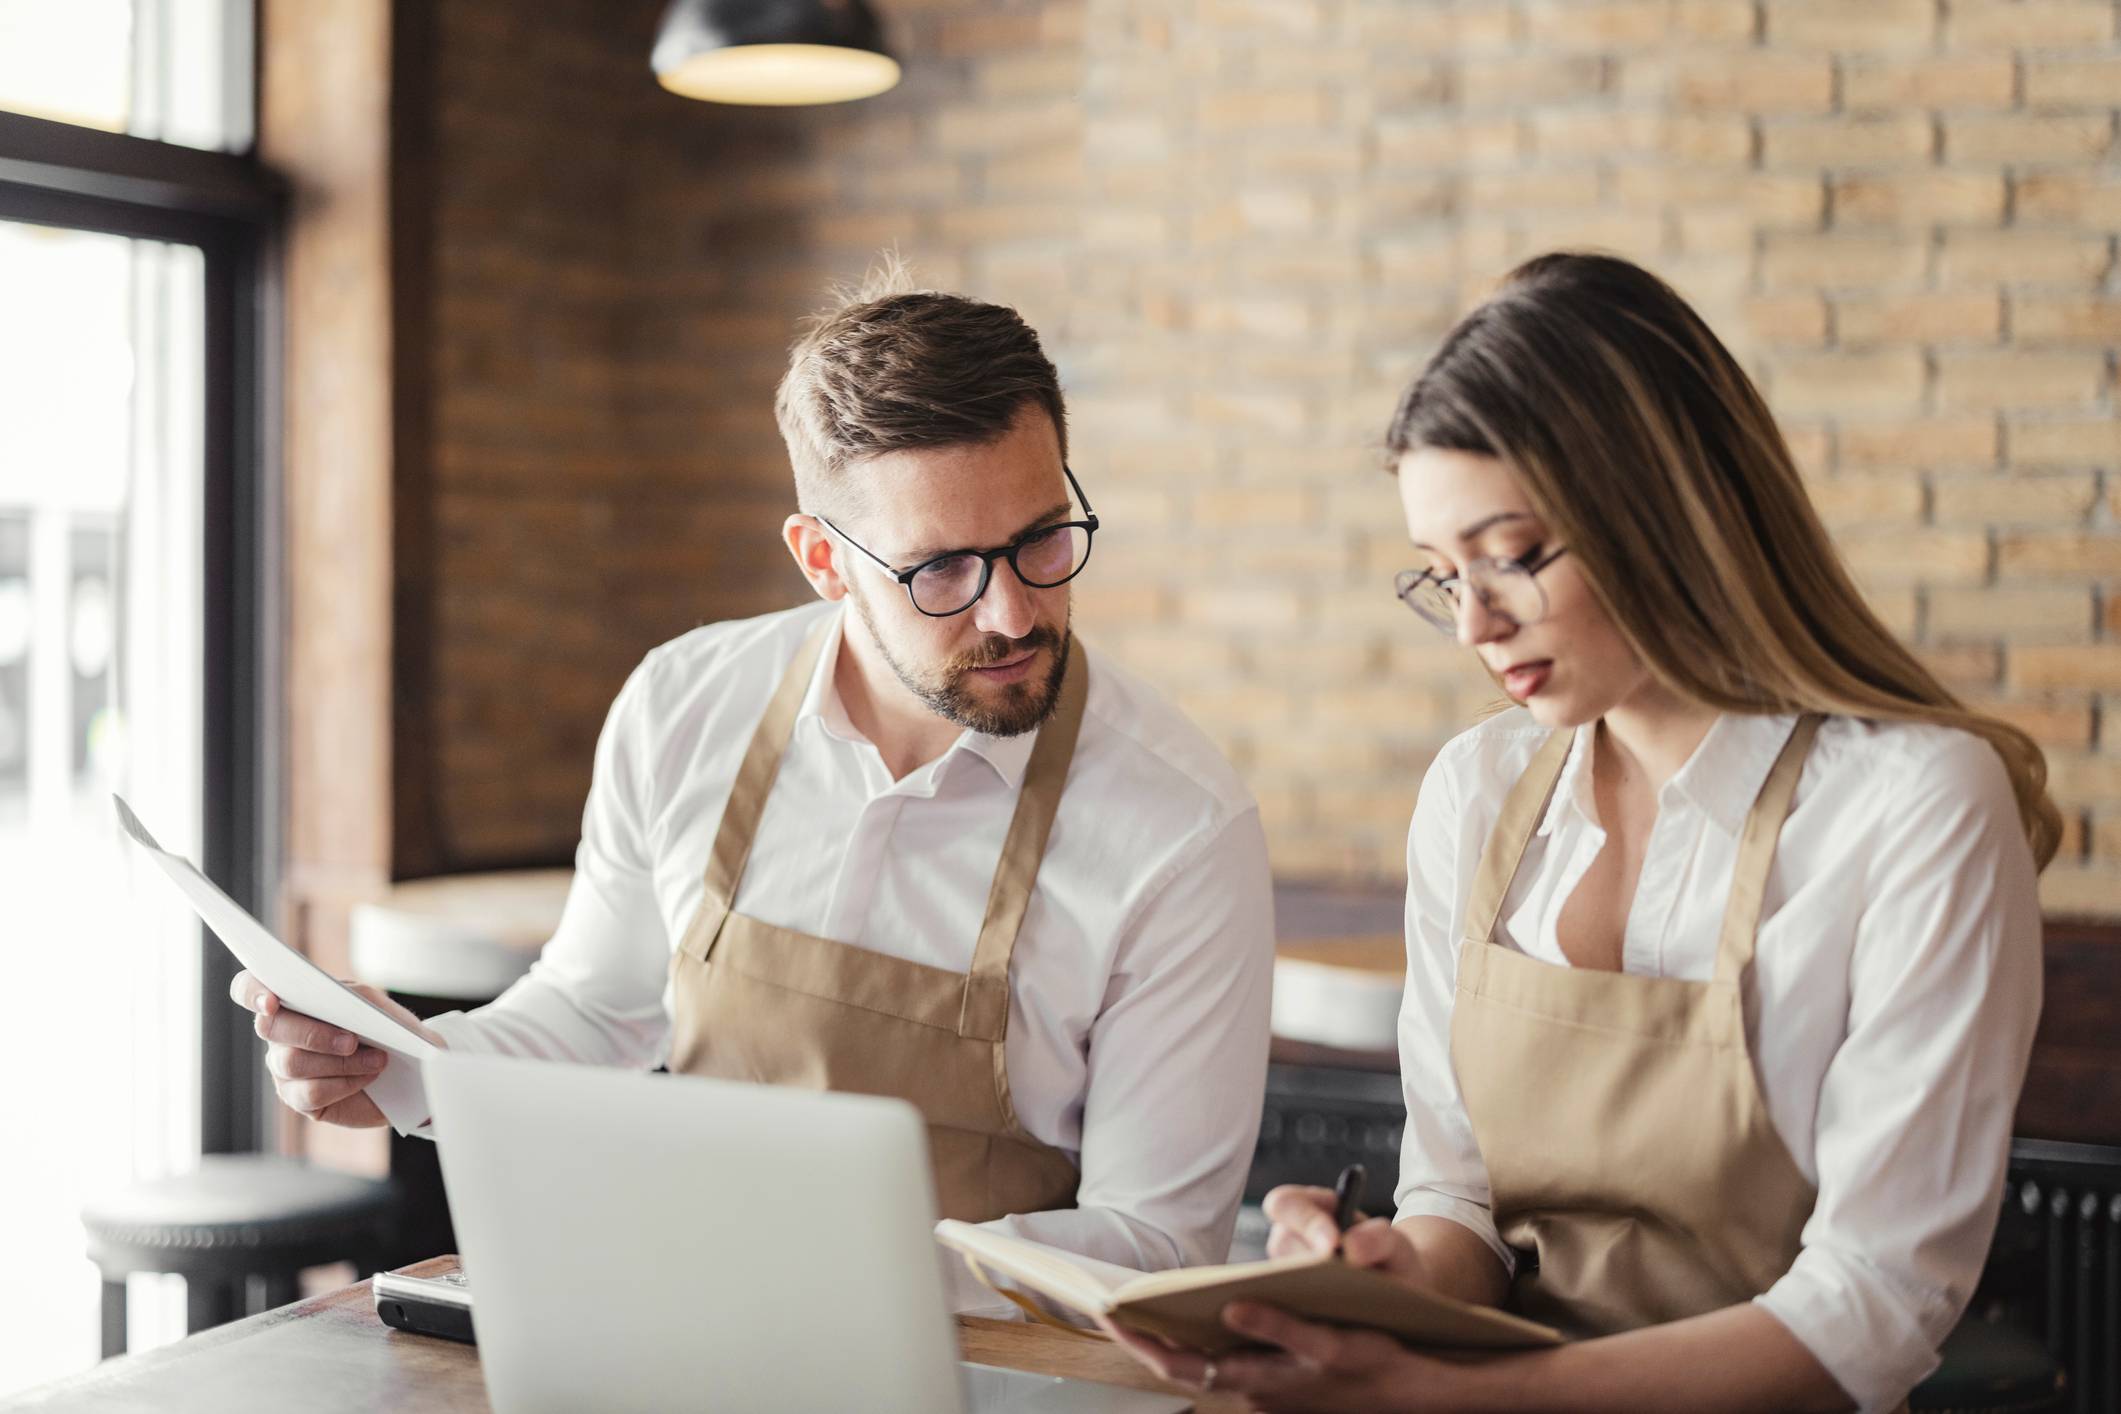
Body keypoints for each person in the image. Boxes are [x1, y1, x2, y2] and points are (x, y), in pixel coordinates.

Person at [1104, 252, 2053, 1412]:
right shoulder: (1477, 789)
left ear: (1661, 507)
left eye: (1510, 556)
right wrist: (1376, 1273)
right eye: (1440, 574)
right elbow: (1459, 1205)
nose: (1473, 623)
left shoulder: (1917, 806)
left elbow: (1872, 1305)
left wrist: (1437, 1396)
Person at [232, 273, 1277, 1311]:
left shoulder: (1178, 826)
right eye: (943, 570)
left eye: (1045, 538)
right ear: (824, 560)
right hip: (695, 1341)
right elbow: (600, 1009)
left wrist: (807, 1272)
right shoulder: (685, 705)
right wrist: (407, 1062)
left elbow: (1154, 1242)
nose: (1012, 609)